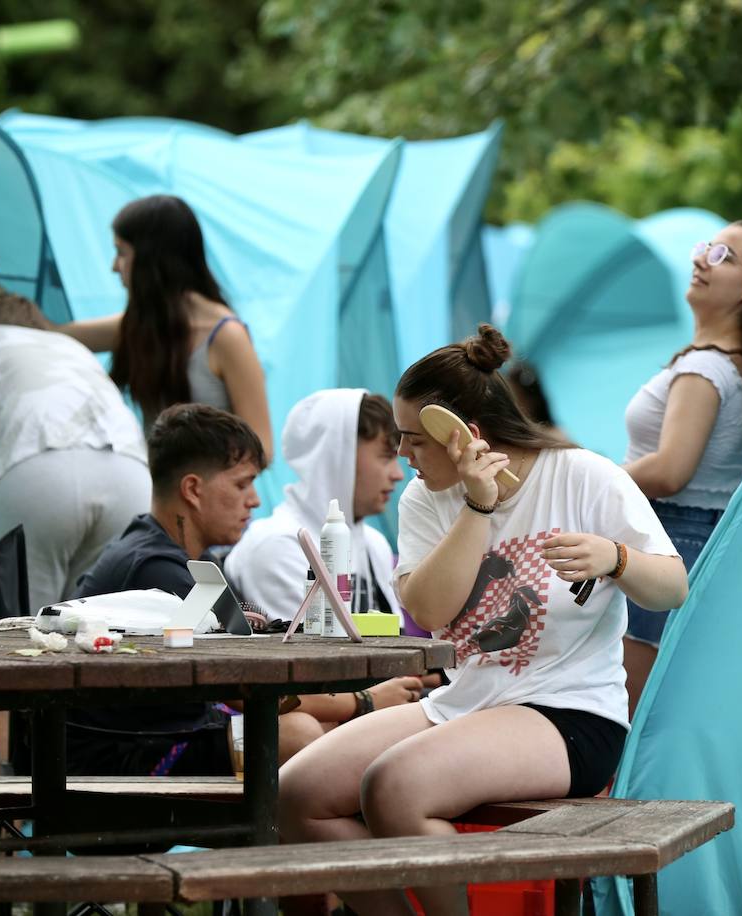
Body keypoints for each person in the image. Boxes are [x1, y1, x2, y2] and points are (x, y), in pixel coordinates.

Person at [277, 325, 688, 916]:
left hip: (571, 712)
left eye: (415, 439)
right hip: (463, 703)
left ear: (463, 434)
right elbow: (429, 611)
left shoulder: (580, 474)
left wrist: (616, 558)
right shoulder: (427, 498)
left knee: (396, 786)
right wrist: (478, 503)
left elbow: (673, 588)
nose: (402, 455)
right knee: (297, 793)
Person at [620, 220, 742, 715]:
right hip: (699, 544)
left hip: (670, 540)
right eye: (706, 247)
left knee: (627, 722)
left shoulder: (705, 370)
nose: (701, 259)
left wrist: (593, 476)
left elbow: (669, 472)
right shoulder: (738, 367)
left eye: (724, 255)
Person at [0, 194, 273, 457]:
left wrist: (189, 462)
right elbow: (48, 334)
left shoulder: (226, 336)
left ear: (154, 260)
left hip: (211, 526)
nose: (113, 266)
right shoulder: (142, 326)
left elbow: (263, 448)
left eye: (122, 252)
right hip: (155, 509)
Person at [0, 286, 151, 615]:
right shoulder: (72, 347)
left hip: (34, 472)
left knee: (10, 645)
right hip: (132, 476)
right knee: (98, 638)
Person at [226, 388, 432, 754]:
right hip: (318, 726)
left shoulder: (371, 542)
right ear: (336, 457)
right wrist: (373, 697)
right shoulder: (278, 544)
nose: (397, 474)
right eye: (386, 456)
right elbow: (303, 678)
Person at [66, 403, 265, 776]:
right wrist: (363, 702)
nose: (254, 499)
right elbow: (245, 687)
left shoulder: (190, 558)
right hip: (122, 762)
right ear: (192, 489)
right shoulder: (156, 570)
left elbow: (247, 644)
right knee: (296, 734)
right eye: (242, 483)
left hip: (164, 734)